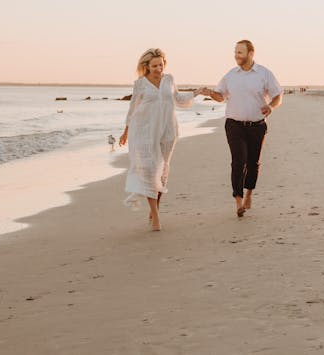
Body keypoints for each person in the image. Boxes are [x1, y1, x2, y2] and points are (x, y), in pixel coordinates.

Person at [201, 39, 283, 217]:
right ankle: (238, 200)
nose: (236, 55)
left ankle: (249, 194)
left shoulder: (264, 74)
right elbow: (220, 96)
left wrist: (271, 107)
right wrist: (210, 93)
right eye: (235, 52)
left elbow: (278, 95)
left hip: (257, 126)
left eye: (240, 52)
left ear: (251, 54)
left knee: (253, 163)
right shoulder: (231, 75)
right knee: (239, 161)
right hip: (234, 125)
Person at [119, 48, 198, 231]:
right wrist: (125, 131)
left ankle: (156, 205)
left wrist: (197, 92)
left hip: (168, 130)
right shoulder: (140, 84)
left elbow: (178, 99)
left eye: (160, 65)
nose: (158, 69)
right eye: (154, 66)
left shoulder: (169, 80)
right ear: (146, 66)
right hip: (144, 131)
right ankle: (155, 214)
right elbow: (133, 108)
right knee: (148, 169)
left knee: (161, 172)